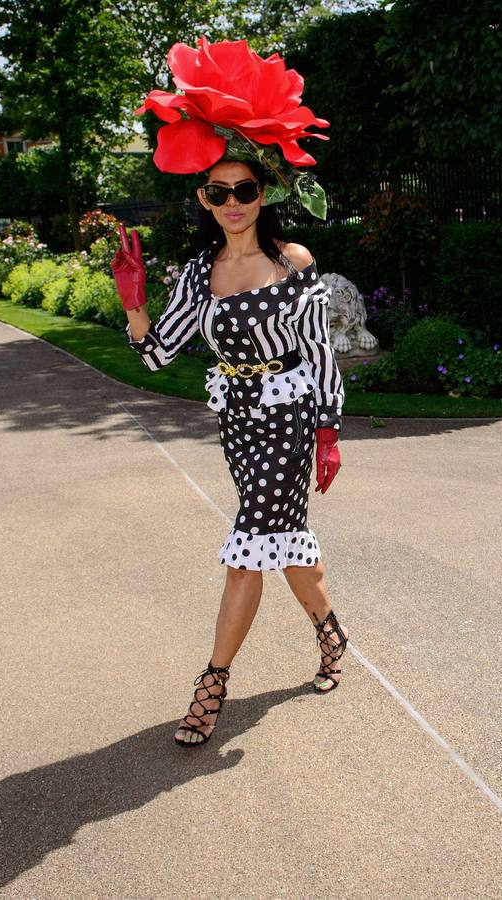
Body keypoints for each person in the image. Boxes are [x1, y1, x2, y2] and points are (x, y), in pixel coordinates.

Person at [115, 36, 344, 748]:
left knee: (250, 544)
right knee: (284, 543)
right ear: (203, 199)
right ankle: (331, 634)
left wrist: (328, 430)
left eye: (246, 188)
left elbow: (319, 348)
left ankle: (210, 686)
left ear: (265, 192)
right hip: (237, 422)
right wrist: (133, 304)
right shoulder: (196, 274)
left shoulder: (292, 262)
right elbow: (156, 357)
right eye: (220, 192)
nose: (234, 201)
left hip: (290, 413)